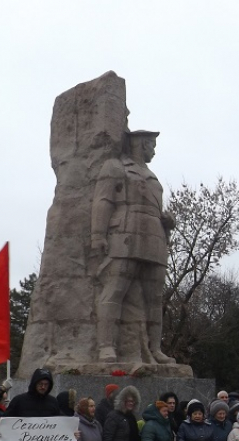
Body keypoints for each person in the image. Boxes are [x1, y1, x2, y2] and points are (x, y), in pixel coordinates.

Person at [90, 129, 176, 364]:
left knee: (154, 298)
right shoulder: (115, 167)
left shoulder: (152, 177)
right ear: (140, 144)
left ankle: (155, 349)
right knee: (115, 289)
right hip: (125, 233)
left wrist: (168, 221)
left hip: (154, 237)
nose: (154, 150)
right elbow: (103, 201)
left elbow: (156, 209)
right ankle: (106, 346)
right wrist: (98, 234)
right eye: (152, 145)